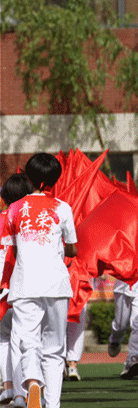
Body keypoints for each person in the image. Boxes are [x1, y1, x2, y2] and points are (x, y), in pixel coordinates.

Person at [4, 153, 77, 408]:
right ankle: (53, 404)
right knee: (55, 348)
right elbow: (72, 249)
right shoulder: (63, 207)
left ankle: (33, 381)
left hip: (23, 284)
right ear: (55, 179)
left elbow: (14, 247)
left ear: (28, 177)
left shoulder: (14, 209)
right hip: (56, 284)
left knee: (28, 341)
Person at [0, 174, 34, 406]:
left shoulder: (2, 218)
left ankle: (9, 388)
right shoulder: (33, 219)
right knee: (26, 341)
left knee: (4, 339)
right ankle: (26, 391)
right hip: (28, 286)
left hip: (3, 288)